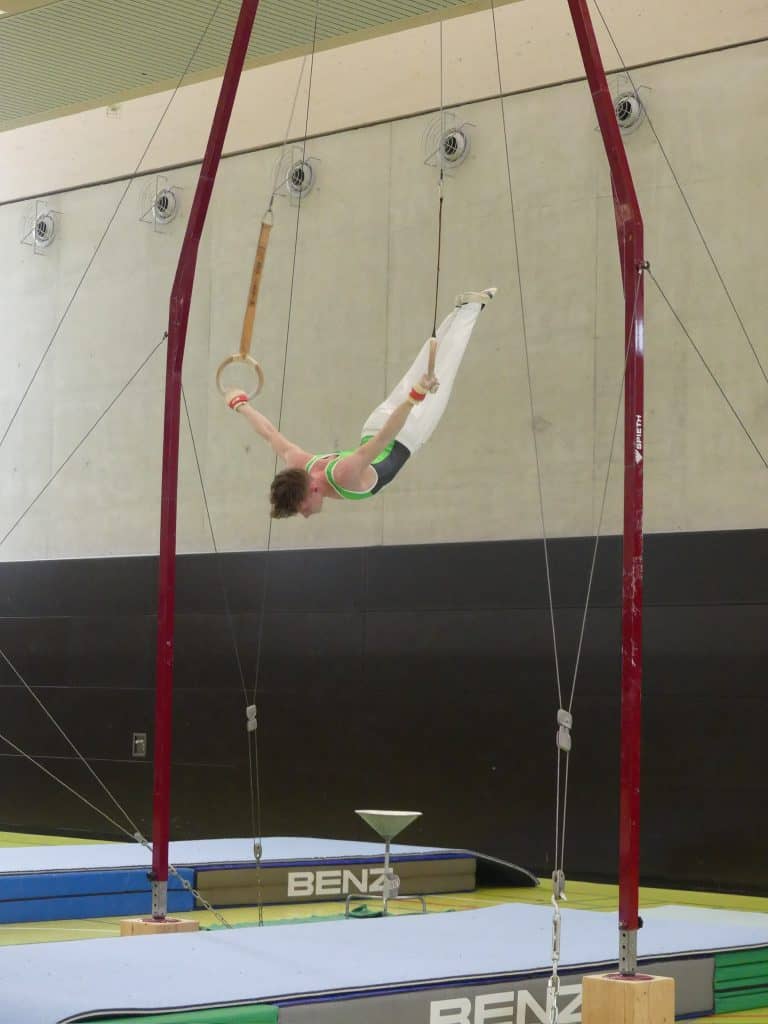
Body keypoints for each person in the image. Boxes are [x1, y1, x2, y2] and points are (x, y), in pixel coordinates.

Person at [225, 288, 497, 518]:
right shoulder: (301, 464)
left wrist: (414, 398)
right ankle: (459, 311)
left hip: (403, 430)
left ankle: (472, 307)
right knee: (421, 366)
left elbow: (385, 438)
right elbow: (270, 435)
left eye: (302, 508)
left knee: (442, 373)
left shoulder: (343, 475)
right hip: (376, 423)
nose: (305, 515)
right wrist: (240, 403)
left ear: (313, 489)